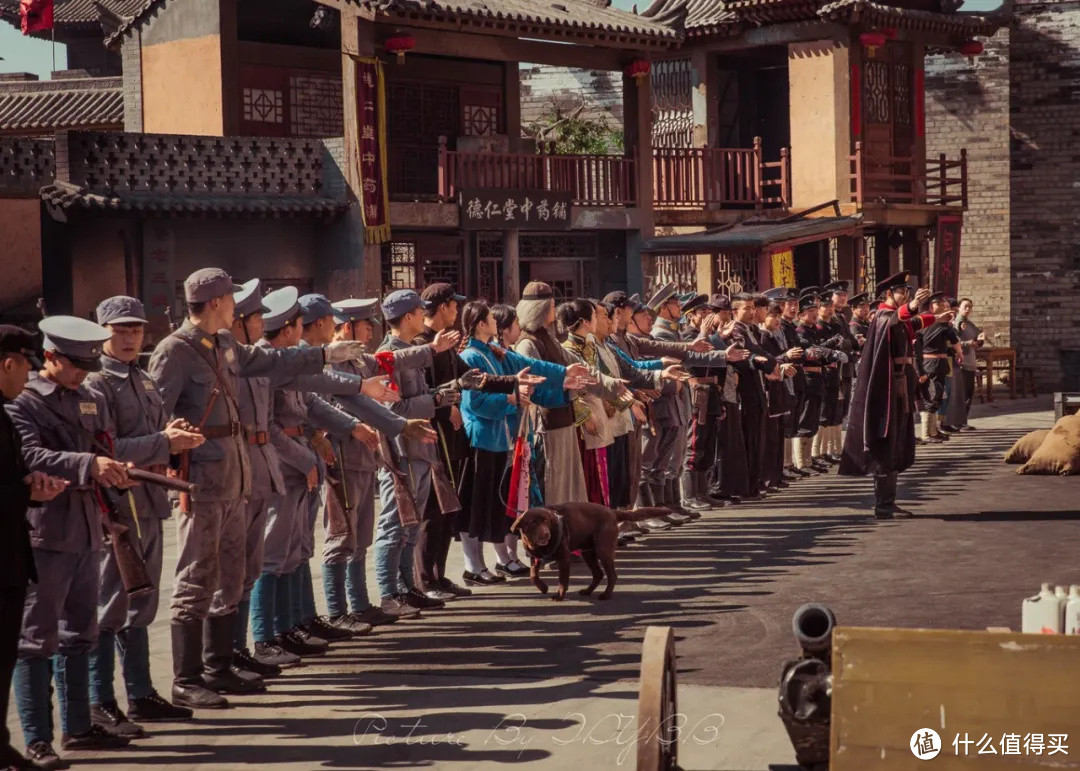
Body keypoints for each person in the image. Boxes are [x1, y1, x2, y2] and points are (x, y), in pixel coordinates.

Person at [148, 268, 368, 710]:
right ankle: (186, 677)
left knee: (232, 574)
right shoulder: (174, 351)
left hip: (237, 476)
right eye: (230, 297)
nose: (237, 304)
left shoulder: (225, 345)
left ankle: (219, 664)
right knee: (195, 577)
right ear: (215, 303)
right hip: (202, 480)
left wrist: (324, 354)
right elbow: (154, 415)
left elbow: (272, 362)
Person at [9, 316, 135, 767]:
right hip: (46, 530)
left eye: (87, 364)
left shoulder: (89, 397)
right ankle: (38, 739)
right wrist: (89, 464)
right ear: (50, 357)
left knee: (81, 630)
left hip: (86, 526)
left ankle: (78, 727)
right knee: (37, 638)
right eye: (75, 365)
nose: (83, 373)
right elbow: (29, 455)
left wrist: (111, 467)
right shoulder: (23, 403)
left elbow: (104, 444)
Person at [85, 297, 205, 737]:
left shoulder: (143, 378)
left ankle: (140, 694)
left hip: (150, 502)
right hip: (118, 505)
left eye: (135, 329)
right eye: (121, 330)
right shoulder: (97, 384)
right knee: (113, 603)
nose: (131, 337)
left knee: (143, 603)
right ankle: (100, 702)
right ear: (103, 333)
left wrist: (174, 439)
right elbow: (103, 450)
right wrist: (162, 442)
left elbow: (156, 436)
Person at [322, 298, 452, 620]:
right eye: (365, 323)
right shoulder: (330, 364)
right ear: (347, 326)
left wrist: (431, 350)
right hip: (347, 457)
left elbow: (392, 359)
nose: (370, 328)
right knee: (350, 537)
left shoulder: (361, 362)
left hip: (366, 457)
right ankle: (348, 608)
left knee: (366, 536)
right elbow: (332, 407)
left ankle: (375, 600)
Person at [456, 301, 570, 583]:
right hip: (481, 439)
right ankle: (473, 565)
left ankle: (499, 560)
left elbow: (530, 371)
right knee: (476, 507)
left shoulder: (493, 353)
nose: (496, 322)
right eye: (490, 319)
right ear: (482, 324)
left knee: (499, 506)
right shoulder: (471, 356)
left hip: (499, 439)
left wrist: (564, 378)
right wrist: (510, 400)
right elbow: (475, 403)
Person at [0, 326, 67, 771]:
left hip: (10, 557)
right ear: (9, 363)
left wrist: (28, 488)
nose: (30, 375)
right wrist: (27, 493)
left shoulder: (4, 415)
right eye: (26, 365)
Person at [840, 274, 953, 518]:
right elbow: (897, 319)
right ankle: (883, 504)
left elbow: (909, 324)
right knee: (885, 442)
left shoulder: (896, 318)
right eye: (901, 292)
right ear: (888, 294)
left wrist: (935, 317)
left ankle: (888, 502)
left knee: (896, 443)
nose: (906, 295)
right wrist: (912, 307)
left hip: (899, 388)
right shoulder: (882, 316)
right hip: (886, 390)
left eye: (907, 292)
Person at [514, 282, 614, 509]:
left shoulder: (546, 337)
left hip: (563, 419)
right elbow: (535, 390)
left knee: (569, 484)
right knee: (554, 484)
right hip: (546, 424)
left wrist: (609, 385)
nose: (554, 309)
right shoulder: (527, 344)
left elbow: (575, 365)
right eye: (551, 305)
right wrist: (566, 386)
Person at [917, 292, 963, 444]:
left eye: (944, 304)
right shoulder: (923, 321)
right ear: (931, 306)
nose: (942, 306)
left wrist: (958, 352)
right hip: (929, 363)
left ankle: (932, 430)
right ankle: (926, 433)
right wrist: (959, 352)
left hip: (939, 363)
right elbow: (954, 341)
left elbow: (953, 340)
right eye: (939, 304)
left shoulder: (944, 324)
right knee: (931, 396)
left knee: (937, 396)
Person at [952, 297, 984, 430]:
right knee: (962, 394)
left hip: (970, 361)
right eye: (965, 306)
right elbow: (955, 343)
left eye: (970, 307)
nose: (967, 309)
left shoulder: (970, 324)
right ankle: (957, 422)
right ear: (958, 307)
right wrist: (969, 343)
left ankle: (963, 421)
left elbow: (977, 339)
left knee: (968, 393)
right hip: (961, 362)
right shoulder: (955, 324)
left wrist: (979, 341)